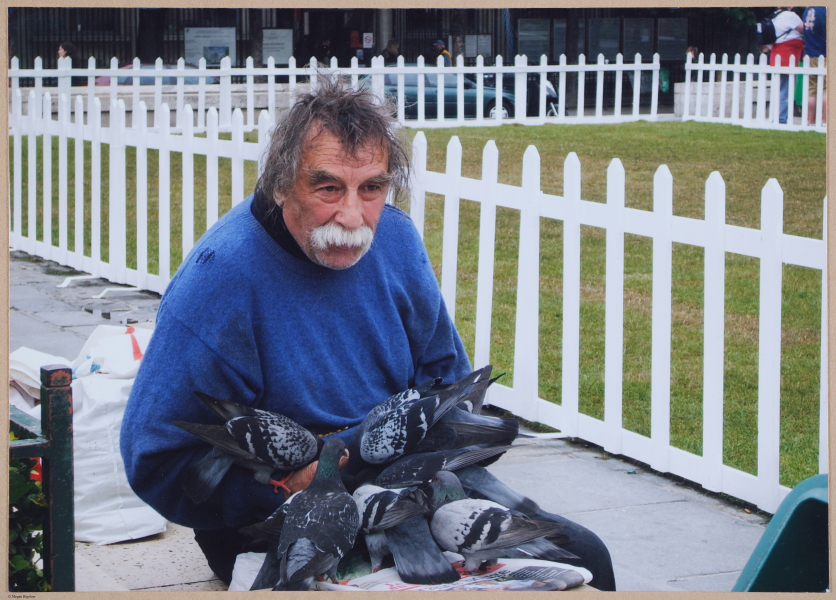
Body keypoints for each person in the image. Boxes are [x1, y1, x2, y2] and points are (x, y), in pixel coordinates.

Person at [119, 77, 616, 591]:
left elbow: (448, 382)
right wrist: (290, 481)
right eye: (328, 187)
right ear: (282, 182)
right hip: (278, 512)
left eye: (372, 188)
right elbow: (157, 459)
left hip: (409, 486)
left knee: (587, 558)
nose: (353, 218)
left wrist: (431, 456)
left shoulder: (395, 238)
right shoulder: (221, 277)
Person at [764, 7, 804, 124]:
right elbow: (805, 29)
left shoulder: (774, 15)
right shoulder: (791, 16)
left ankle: (777, 117)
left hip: (777, 54)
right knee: (786, 89)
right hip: (787, 55)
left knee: (780, 88)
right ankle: (781, 119)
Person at [802, 6, 826, 124]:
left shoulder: (808, 11)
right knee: (827, 89)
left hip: (811, 55)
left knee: (812, 89)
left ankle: (810, 121)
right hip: (825, 53)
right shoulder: (825, 10)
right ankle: (827, 121)